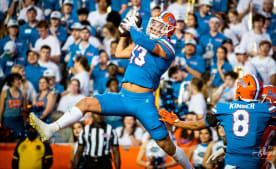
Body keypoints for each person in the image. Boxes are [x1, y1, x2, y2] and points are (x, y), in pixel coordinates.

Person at [30, 11, 194, 169]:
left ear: (168, 30)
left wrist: (132, 28)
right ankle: (51, 129)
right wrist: (124, 34)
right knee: (86, 102)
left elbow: (142, 40)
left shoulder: (168, 47)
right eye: (155, 24)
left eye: (160, 26)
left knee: (165, 144)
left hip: (143, 102)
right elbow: (119, 52)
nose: (154, 27)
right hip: (124, 97)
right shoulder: (143, 42)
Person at [159, 74, 276, 168]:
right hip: (255, 164)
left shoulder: (224, 107)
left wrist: (176, 121)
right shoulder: (266, 110)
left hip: (232, 163)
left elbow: (197, 125)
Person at [0, 73, 26, 141]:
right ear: (12, 81)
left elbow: (25, 109)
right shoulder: (4, 93)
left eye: (20, 80)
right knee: (7, 141)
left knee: (18, 142)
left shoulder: (23, 93)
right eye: (17, 80)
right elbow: (1, 109)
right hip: (7, 121)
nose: (19, 82)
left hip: (19, 121)